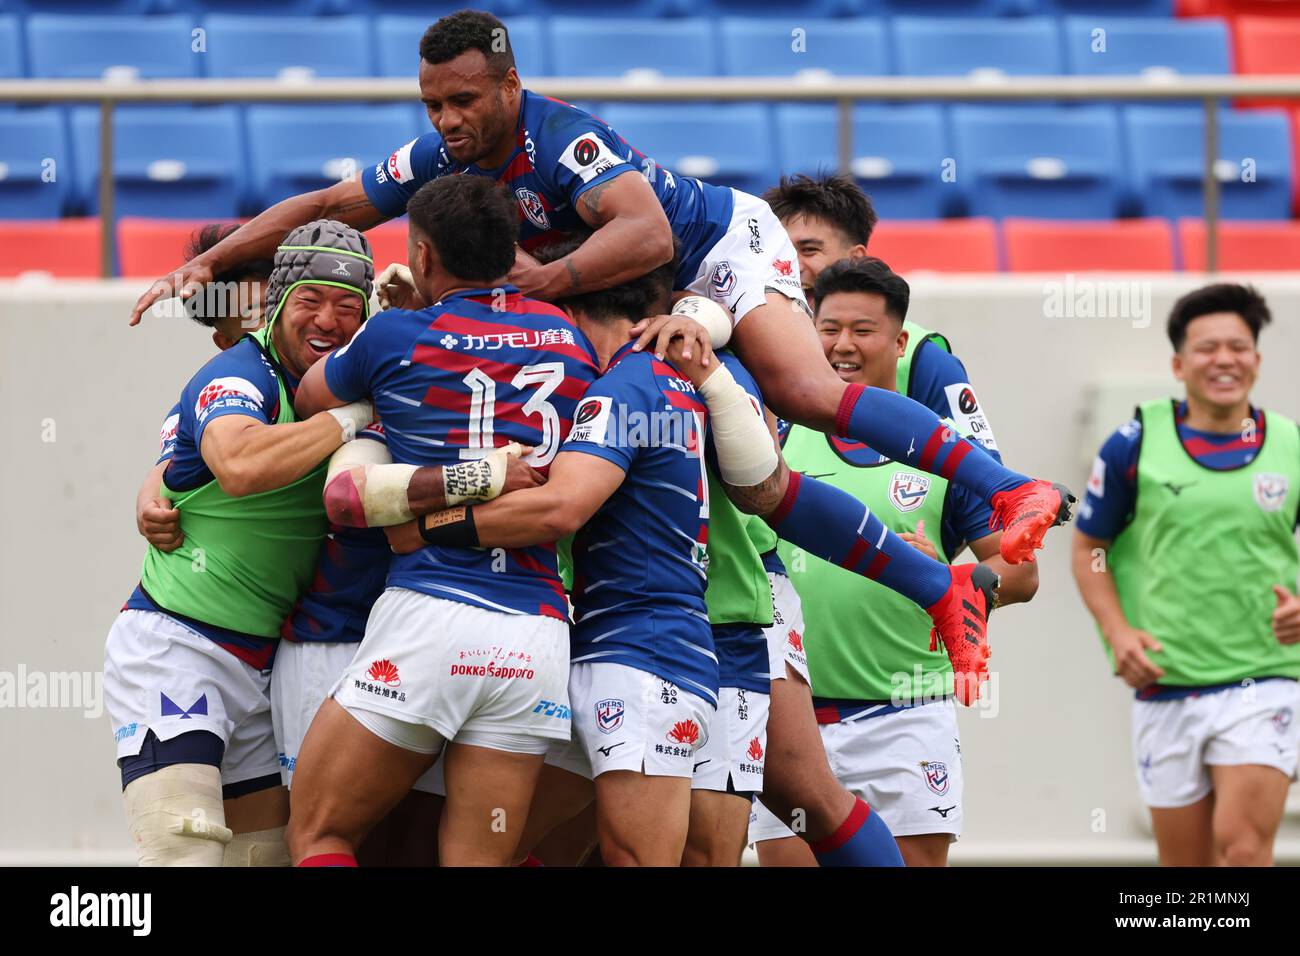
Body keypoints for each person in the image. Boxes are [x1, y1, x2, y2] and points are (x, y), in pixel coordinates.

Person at [129, 10, 1072, 576]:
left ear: (512, 85)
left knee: (804, 395)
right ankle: (937, 588)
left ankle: (1003, 486)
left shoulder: (565, 138)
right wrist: (213, 264)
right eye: (433, 106)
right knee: (758, 487)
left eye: (465, 101)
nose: (448, 122)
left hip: (718, 250)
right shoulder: (440, 156)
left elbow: (651, 233)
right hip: (633, 294)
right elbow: (333, 201)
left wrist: (544, 281)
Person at [286, 175, 603, 868]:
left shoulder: (395, 334)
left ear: (423, 256)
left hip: (432, 615)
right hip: (536, 637)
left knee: (320, 835)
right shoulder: (572, 342)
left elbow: (313, 398)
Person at [748, 257, 1039, 866]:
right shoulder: (774, 436)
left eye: (863, 330)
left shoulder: (941, 449)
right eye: (828, 329)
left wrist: (952, 573)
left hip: (905, 717)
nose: (842, 346)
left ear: (899, 341)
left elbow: (1021, 576)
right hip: (795, 722)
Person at [104, 219, 377, 866]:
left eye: (346, 306)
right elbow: (239, 466)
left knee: (264, 858)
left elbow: (169, 473)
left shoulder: (364, 360)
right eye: (307, 300)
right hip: (179, 645)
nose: (327, 320)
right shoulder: (236, 375)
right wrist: (349, 421)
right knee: (183, 846)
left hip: (269, 665)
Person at [1072, 282, 1300, 867]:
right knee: (1186, 872)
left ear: (1257, 358)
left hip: (1265, 678)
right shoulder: (1134, 444)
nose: (1224, 359)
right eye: (1207, 348)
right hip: (1167, 683)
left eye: (1239, 346)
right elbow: (1090, 550)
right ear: (1178, 363)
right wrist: (1118, 633)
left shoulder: (1290, 444)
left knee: (1243, 848)